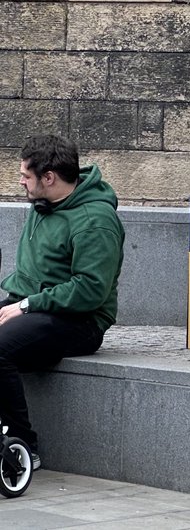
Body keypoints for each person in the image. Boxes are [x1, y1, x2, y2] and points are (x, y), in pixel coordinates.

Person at [0, 135, 125, 468]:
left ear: (49, 177)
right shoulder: (46, 201)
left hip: (80, 321)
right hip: (30, 305)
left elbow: (90, 290)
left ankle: (22, 445)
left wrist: (26, 306)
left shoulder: (95, 222)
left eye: (26, 176)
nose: (20, 181)